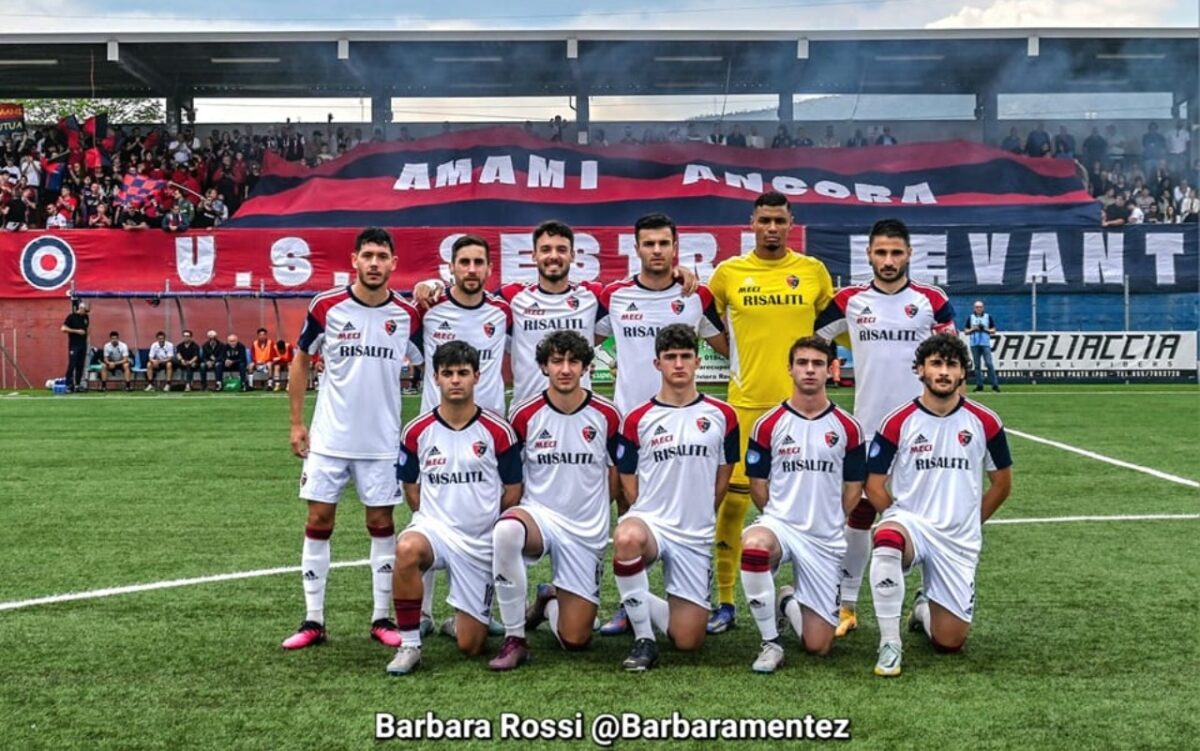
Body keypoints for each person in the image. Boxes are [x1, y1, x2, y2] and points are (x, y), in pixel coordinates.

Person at [282, 227, 424, 651]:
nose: (375, 263)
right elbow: (301, 358)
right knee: (319, 522)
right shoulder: (326, 306)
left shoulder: (407, 315)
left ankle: (381, 618)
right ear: (354, 260)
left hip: (381, 443)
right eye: (368, 256)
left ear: (393, 263)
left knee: (381, 526)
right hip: (328, 440)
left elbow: (429, 363)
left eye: (383, 256)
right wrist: (296, 422)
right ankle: (313, 620)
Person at [814, 218, 956, 638]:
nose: (889, 260)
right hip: (868, 428)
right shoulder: (849, 301)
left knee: (930, 515)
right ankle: (847, 604)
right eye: (881, 253)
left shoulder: (932, 300)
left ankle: (928, 599)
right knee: (858, 512)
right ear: (869, 255)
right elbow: (814, 340)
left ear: (909, 254)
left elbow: (952, 355)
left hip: (924, 429)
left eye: (896, 253)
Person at [704, 191, 834, 634]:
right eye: (765, 221)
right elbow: (705, 320)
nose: (773, 228)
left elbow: (830, 326)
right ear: (752, 223)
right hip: (746, 405)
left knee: (809, 502)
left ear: (791, 222)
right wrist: (736, 357)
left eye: (780, 220)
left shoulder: (812, 271)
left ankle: (810, 595)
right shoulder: (728, 273)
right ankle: (725, 602)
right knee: (734, 507)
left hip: (805, 410)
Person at [592, 212, 728, 636]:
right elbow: (581, 340)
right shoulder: (613, 295)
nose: (656, 251)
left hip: (685, 422)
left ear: (675, 248)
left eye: (663, 244)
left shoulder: (695, 296)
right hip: (629, 424)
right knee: (627, 514)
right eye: (648, 244)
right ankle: (628, 606)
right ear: (636, 249)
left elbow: (728, 344)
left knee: (688, 504)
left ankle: (687, 590)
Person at [866, 334, 1013, 677]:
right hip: (912, 524)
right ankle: (890, 644)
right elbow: (874, 485)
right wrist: (895, 520)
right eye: (936, 363)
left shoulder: (986, 421)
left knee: (950, 643)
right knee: (887, 539)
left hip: (957, 539)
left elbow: (1002, 484)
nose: (944, 372)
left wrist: (969, 522)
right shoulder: (897, 421)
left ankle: (922, 609)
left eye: (952, 365)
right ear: (919, 370)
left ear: (963, 373)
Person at [387, 341, 523, 675]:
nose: (456, 380)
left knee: (471, 646)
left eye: (463, 373)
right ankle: (410, 645)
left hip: (478, 542)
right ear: (435, 378)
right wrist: (430, 517)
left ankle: (457, 622)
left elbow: (513, 490)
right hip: (435, 530)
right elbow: (411, 486)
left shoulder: (498, 431)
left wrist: (484, 522)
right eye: (448, 374)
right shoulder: (417, 430)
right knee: (406, 548)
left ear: (477, 376)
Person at [488, 331, 622, 670]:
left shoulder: (607, 415)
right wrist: (509, 511)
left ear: (586, 367)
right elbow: (511, 475)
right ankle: (515, 638)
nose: (565, 369)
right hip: (539, 517)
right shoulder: (523, 414)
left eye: (573, 362)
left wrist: (602, 515)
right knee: (506, 532)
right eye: (556, 361)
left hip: (584, 528)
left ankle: (548, 600)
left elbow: (616, 474)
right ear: (544, 367)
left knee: (576, 640)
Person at [611, 324, 739, 670]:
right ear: (658, 364)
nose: (678, 364)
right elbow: (628, 481)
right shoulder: (637, 418)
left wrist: (697, 512)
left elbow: (722, 479)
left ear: (698, 361)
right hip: (653, 523)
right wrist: (647, 512)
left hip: (694, 532)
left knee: (688, 641)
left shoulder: (723, 415)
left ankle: (638, 598)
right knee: (626, 536)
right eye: (670, 357)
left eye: (685, 357)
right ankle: (643, 639)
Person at [740, 336, 865, 672]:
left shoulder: (848, 428)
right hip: (781, 526)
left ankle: (787, 602)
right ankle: (771, 642)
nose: (809, 370)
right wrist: (777, 516)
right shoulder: (768, 424)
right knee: (754, 545)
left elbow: (854, 487)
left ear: (830, 370)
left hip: (824, 537)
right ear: (791, 369)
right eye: (802, 363)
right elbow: (758, 486)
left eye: (818, 364)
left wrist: (832, 518)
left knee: (819, 645)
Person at [419, 235, 512, 415]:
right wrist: (429, 283)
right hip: (436, 425)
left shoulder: (503, 311)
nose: (471, 269)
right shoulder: (428, 307)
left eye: (478, 262)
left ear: (489, 269)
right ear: (451, 267)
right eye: (464, 262)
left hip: (490, 426)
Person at [964, 301, 1000, 392]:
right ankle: (979, 385)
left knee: (989, 363)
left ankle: (994, 385)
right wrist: (973, 328)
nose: (978, 309)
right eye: (977, 307)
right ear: (974, 308)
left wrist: (985, 329)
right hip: (974, 344)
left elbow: (994, 330)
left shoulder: (988, 317)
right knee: (977, 366)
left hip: (985, 343)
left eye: (980, 307)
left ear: (983, 308)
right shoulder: (970, 318)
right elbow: (965, 331)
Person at [60, 301, 90, 393]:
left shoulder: (85, 317)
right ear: (80, 309)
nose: (85, 312)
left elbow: (86, 329)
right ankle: (68, 384)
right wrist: (76, 331)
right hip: (74, 345)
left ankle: (77, 384)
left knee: (80, 365)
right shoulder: (71, 317)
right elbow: (63, 328)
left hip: (83, 344)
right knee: (72, 364)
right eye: (84, 310)